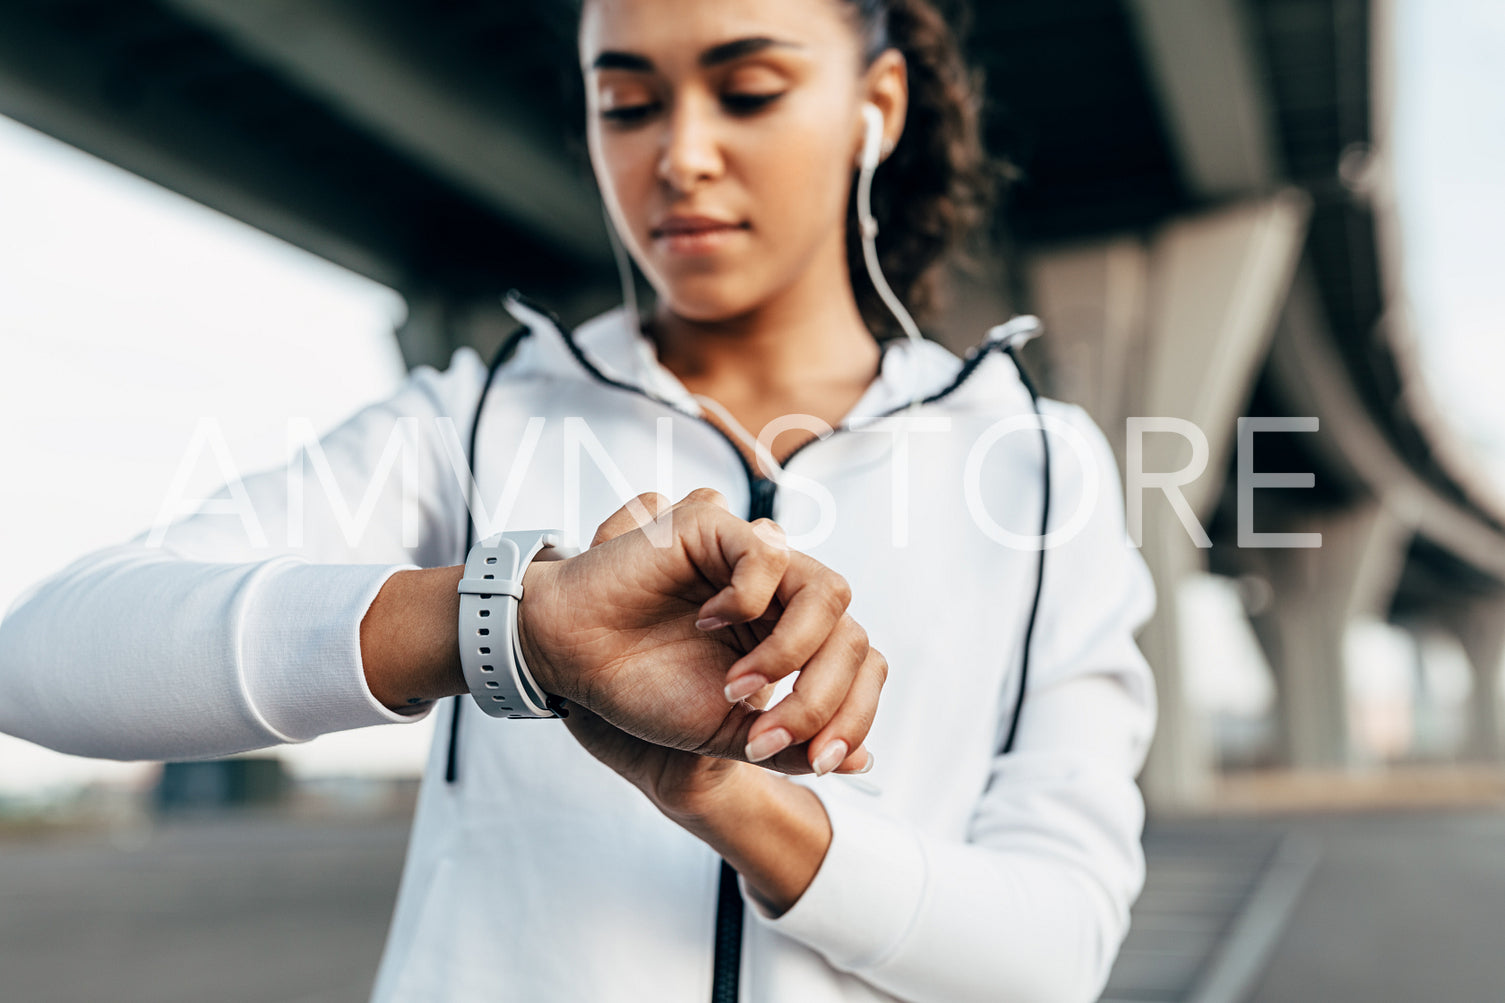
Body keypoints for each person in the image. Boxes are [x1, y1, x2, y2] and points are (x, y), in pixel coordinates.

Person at [0, 0, 1158, 1000]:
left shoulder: (1039, 470)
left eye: (747, 91)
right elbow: (41, 656)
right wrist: (510, 624)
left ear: (879, 103)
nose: (681, 155)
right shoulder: (473, 416)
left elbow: (1054, 952)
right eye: (627, 103)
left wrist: (727, 800)